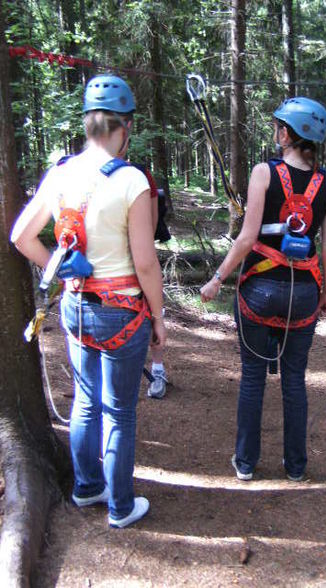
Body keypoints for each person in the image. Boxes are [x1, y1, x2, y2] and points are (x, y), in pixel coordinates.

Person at [10, 74, 166, 527]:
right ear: (126, 127)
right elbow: (146, 264)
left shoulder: (61, 172)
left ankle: (87, 487)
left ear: (87, 124)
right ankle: (120, 506)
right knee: (118, 410)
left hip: (76, 304)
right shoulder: (132, 180)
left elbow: (21, 235)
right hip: (122, 309)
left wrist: (55, 271)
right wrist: (158, 317)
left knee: (85, 400)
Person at [200, 97, 326, 481]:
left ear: (291, 134)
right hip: (305, 294)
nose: (276, 131)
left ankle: (245, 463)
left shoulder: (265, 172)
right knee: (294, 379)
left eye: (281, 126)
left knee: (253, 377)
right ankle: (296, 466)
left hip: (259, 291)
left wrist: (217, 280)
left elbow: (247, 238)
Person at [131, 164, 169, 399]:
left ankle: (157, 369)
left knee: (153, 311)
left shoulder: (141, 174)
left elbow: (152, 224)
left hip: (139, 256)